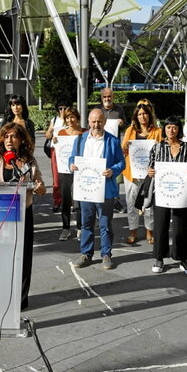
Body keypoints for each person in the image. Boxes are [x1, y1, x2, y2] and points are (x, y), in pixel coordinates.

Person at [0, 122, 46, 309]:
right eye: (6, 136)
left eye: (13, 136)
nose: (9, 140)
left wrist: (39, 188)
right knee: (0, 256)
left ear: (21, 139)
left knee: (23, 256)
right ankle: (1, 294)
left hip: (23, 213)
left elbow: (41, 187)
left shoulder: (28, 162)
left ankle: (20, 299)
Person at [69, 108, 126, 270]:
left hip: (105, 190)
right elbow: (72, 158)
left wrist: (112, 171)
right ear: (88, 121)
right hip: (85, 189)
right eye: (93, 121)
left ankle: (106, 254)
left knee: (105, 223)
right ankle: (86, 253)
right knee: (86, 223)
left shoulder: (113, 141)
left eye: (99, 121)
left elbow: (122, 163)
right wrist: (71, 165)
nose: (96, 124)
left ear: (105, 122)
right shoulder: (80, 140)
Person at [147, 116, 187, 274]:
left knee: (181, 225)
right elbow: (150, 167)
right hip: (161, 191)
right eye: (168, 127)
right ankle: (159, 258)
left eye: (174, 127)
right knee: (160, 224)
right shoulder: (157, 147)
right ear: (164, 129)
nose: (171, 130)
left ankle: (182, 259)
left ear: (179, 129)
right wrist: (150, 171)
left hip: (181, 191)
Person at [121, 103, 162, 244]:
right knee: (131, 203)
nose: (142, 116)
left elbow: (162, 150)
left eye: (144, 113)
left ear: (149, 115)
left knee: (149, 203)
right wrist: (125, 147)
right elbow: (123, 150)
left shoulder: (157, 131)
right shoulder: (130, 130)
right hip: (132, 173)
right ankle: (133, 230)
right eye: (139, 114)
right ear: (136, 117)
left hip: (150, 174)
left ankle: (149, 230)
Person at [53, 106, 85, 240]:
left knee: (79, 200)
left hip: (80, 170)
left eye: (72, 117)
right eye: (67, 117)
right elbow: (57, 151)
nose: (70, 120)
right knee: (66, 199)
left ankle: (80, 227)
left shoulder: (84, 132)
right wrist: (54, 142)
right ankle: (65, 228)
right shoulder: (61, 133)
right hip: (65, 170)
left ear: (77, 118)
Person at [95, 88, 127, 213]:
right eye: (105, 97)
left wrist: (122, 123)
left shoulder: (119, 109)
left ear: (112, 97)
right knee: (101, 172)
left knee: (115, 173)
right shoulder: (97, 110)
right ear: (101, 97)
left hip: (114, 145)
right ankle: (99, 197)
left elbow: (126, 124)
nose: (107, 99)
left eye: (109, 96)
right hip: (99, 145)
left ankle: (116, 201)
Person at [44, 100, 68, 213]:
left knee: (69, 177)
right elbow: (47, 134)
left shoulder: (71, 119)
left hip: (68, 151)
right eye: (60, 108)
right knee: (57, 179)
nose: (62, 111)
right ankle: (57, 201)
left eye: (65, 108)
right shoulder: (54, 120)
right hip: (56, 150)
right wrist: (52, 134)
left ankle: (70, 201)